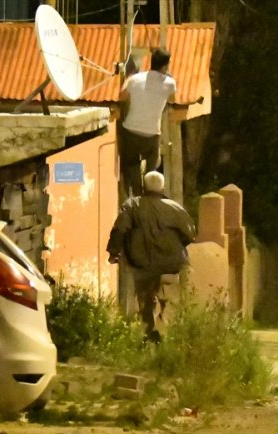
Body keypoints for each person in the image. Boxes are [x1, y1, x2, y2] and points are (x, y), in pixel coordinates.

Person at [107, 171, 196, 342]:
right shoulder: (175, 208)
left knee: (145, 300)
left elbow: (120, 230)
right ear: (162, 187)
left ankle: (147, 336)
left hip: (142, 264)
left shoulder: (132, 206)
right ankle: (168, 333)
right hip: (172, 264)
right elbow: (190, 234)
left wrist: (113, 252)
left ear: (144, 186)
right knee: (170, 298)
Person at [118, 48, 176, 197]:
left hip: (130, 131)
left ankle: (137, 194)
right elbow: (172, 100)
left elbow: (122, 97)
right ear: (164, 66)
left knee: (132, 165)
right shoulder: (170, 83)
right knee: (151, 170)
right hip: (152, 134)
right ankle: (149, 196)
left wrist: (128, 78)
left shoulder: (135, 79)